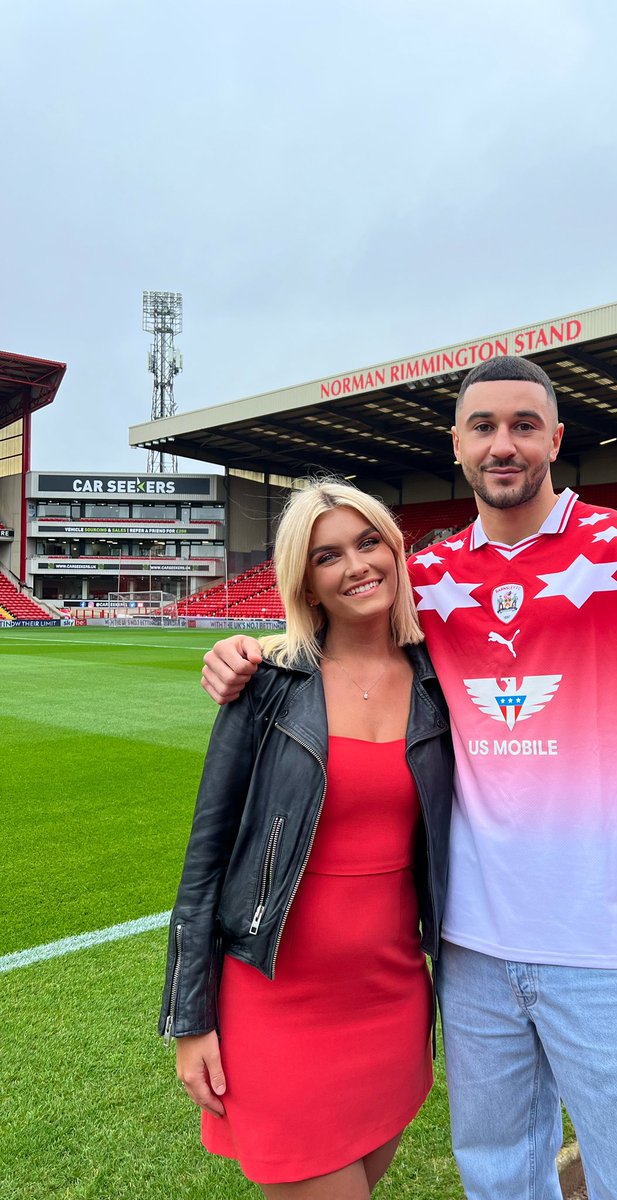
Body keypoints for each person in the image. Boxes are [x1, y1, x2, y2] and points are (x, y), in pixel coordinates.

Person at [202, 357, 617, 1200]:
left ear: (556, 438)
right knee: (498, 1182)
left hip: (611, 946)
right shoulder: (434, 582)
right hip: (472, 951)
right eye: (483, 426)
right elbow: (341, 637)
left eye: (525, 425)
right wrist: (246, 653)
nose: (504, 444)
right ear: (456, 443)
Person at [159, 479, 453, 1200]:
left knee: (367, 1173)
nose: (356, 565)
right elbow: (206, 857)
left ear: (395, 549)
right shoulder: (266, 683)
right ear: (308, 584)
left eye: (368, 542)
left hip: (391, 997)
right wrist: (188, 1019)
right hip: (276, 999)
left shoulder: (439, 681)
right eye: (329, 556)